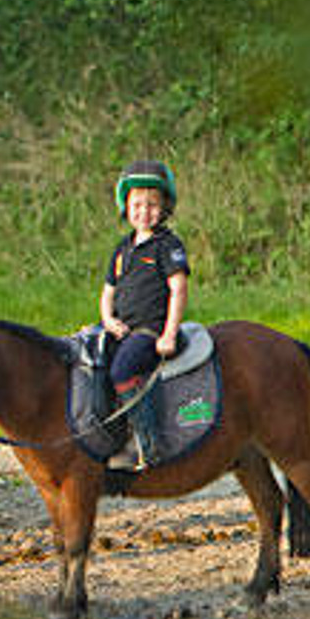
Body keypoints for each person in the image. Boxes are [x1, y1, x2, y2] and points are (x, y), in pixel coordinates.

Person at [98, 159, 190, 467]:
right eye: (137, 204)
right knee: (86, 362)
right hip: (119, 328)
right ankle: (108, 436)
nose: (144, 211)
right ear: (125, 206)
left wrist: (168, 334)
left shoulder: (168, 245)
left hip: (147, 330)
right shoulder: (122, 249)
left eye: (152, 204)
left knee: (123, 370)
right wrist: (108, 320)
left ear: (164, 207)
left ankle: (150, 443)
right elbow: (108, 293)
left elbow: (178, 290)